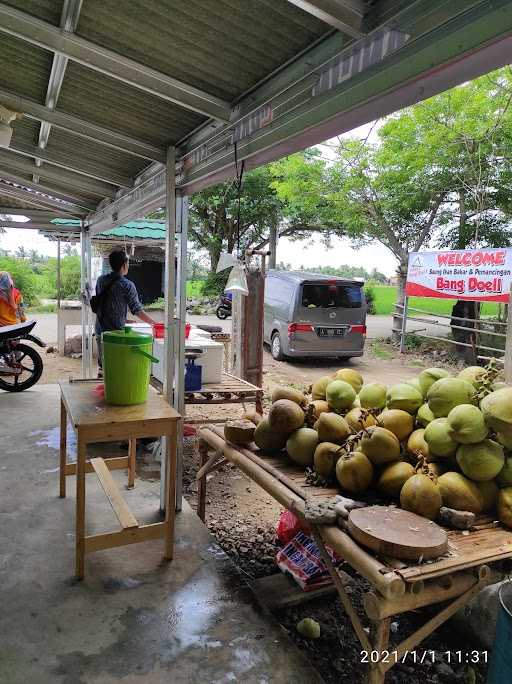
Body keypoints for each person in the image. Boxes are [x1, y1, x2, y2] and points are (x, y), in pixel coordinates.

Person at [94, 250, 158, 373]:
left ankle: (104, 385)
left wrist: (125, 319)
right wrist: (153, 323)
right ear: (124, 265)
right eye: (127, 263)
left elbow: (105, 305)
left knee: (104, 365)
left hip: (100, 329)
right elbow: (137, 310)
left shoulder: (101, 280)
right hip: (116, 334)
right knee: (117, 366)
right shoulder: (127, 285)